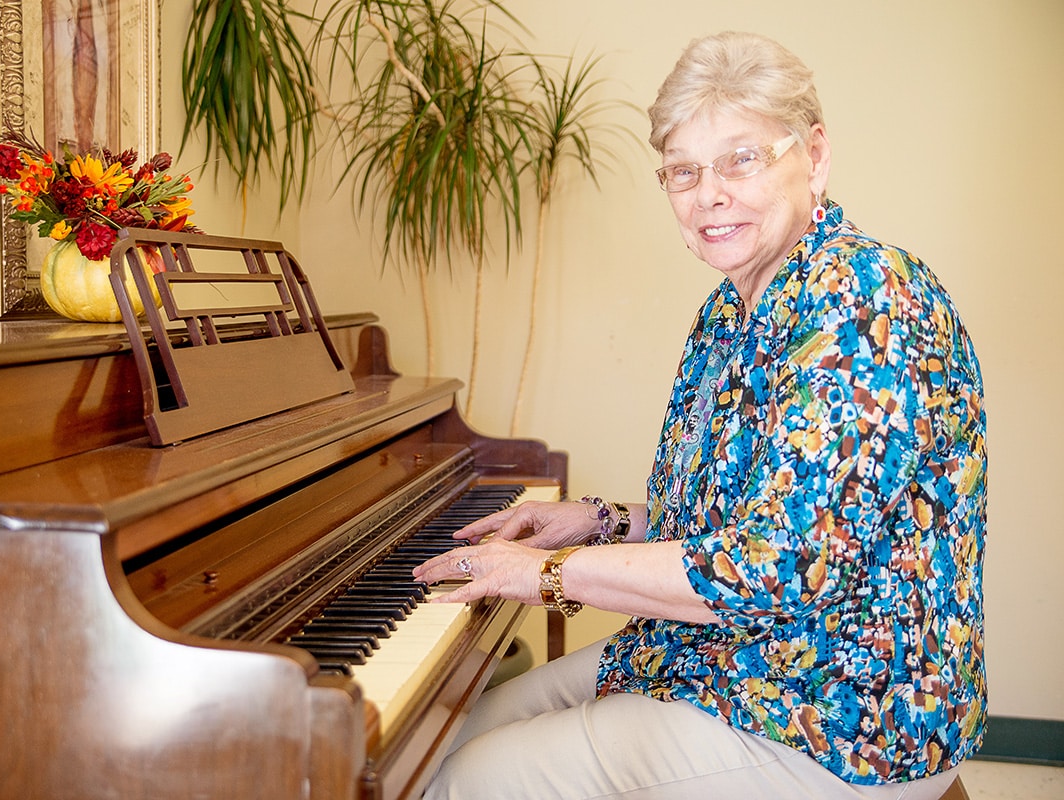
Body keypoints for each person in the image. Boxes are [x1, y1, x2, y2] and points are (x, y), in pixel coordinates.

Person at [413, 30, 986, 800]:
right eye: (683, 171)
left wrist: (541, 575)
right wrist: (603, 521)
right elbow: (729, 516)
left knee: (466, 781)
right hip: (734, 658)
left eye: (741, 159)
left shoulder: (862, 300)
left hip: (843, 710)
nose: (708, 193)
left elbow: (777, 566)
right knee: (460, 727)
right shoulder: (728, 313)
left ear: (813, 156)